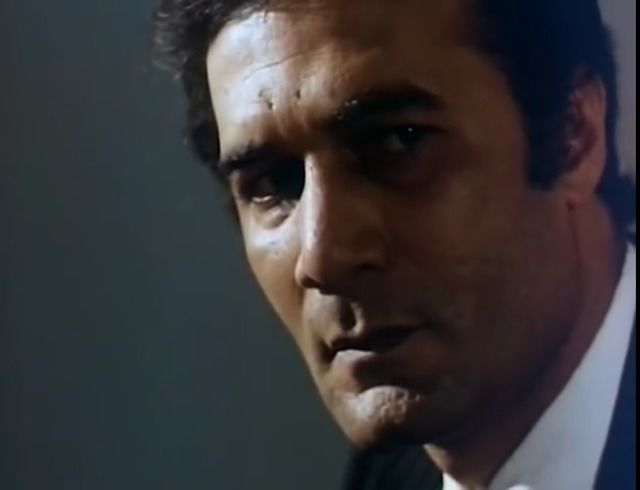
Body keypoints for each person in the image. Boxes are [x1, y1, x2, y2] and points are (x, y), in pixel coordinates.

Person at [152, 0, 636, 488]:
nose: (322, 257)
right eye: (274, 183)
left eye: (398, 144)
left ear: (575, 137)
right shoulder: (388, 474)